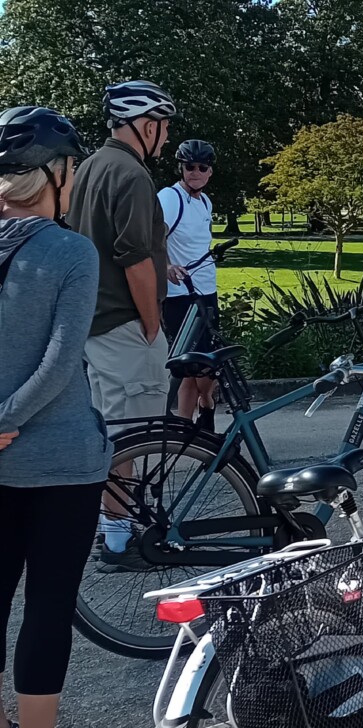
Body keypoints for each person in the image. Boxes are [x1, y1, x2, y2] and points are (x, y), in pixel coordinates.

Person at [0, 106, 110, 728]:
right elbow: (61, 363)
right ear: (52, 175)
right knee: (47, 605)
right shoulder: (72, 252)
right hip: (61, 459)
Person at [65, 79, 177, 571]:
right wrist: (152, 323)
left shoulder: (88, 167)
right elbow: (134, 257)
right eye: (164, 126)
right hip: (124, 325)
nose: (168, 137)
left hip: (92, 323)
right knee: (134, 436)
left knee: (111, 433)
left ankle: (115, 532)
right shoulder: (131, 175)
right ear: (145, 124)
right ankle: (117, 541)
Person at [160, 139, 217, 430]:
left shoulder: (204, 201)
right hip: (180, 295)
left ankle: (195, 416)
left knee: (199, 364)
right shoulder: (171, 198)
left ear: (209, 172)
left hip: (207, 290)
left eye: (201, 167)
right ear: (181, 169)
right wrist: (166, 265)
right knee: (194, 363)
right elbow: (155, 236)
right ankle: (197, 415)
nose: (195, 172)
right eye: (189, 166)